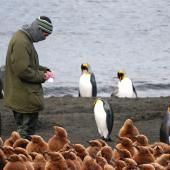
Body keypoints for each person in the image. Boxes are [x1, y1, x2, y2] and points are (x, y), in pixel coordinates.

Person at [4, 16, 54, 139]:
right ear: (38, 29)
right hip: (23, 97)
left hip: (25, 95)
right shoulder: (22, 42)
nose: (44, 38)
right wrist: (43, 76)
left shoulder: (24, 38)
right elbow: (23, 71)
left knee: (28, 132)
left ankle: (23, 155)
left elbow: (28, 64)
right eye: (45, 34)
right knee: (24, 133)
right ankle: (20, 156)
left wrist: (44, 70)